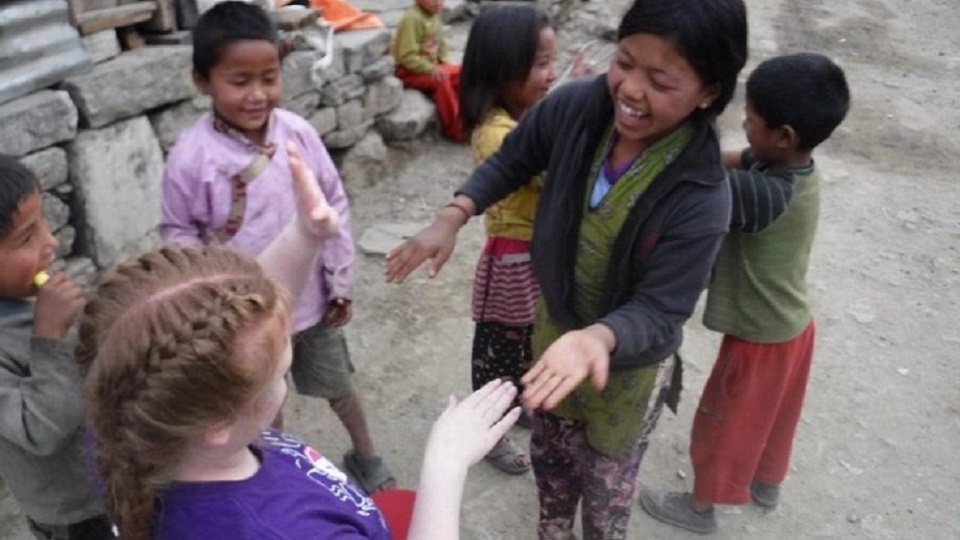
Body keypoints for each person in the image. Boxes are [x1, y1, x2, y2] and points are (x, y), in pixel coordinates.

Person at [385, 0, 748, 537]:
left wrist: (598, 339)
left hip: (627, 370)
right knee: (553, 465)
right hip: (554, 335)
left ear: (708, 93)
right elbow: (515, 157)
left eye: (660, 81)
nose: (630, 89)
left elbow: (662, 307)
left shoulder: (701, 195)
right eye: (624, 62)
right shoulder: (579, 107)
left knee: (605, 491)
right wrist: (454, 214)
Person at [78, 140, 522, 540]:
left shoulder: (130, 419)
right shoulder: (281, 530)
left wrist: (304, 236)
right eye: (278, 374)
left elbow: (239, 329)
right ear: (217, 425)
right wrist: (445, 464)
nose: (283, 371)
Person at [159, 1, 396, 494]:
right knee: (265, 404)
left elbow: (332, 203)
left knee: (338, 385)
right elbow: (179, 234)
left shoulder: (297, 134)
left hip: (312, 303)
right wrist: (210, 299)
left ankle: (366, 453)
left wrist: (340, 280)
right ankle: (280, 478)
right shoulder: (191, 158)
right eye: (239, 81)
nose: (257, 94)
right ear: (202, 81)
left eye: (269, 78)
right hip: (247, 315)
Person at [638, 52, 852, 534]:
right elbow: (733, 159)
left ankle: (698, 509)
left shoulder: (766, 196)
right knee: (775, 415)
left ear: (784, 135)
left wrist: (661, 155)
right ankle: (766, 483)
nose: (743, 124)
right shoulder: (790, 166)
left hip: (758, 337)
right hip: (792, 327)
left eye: (751, 118)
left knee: (723, 422)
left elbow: (704, 185)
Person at [458, 5, 557, 476]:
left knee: (523, 343)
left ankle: (514, 404)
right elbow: (548, 176)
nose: (551, 75)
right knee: (498, 353)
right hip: (511, 261)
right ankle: (488, 431)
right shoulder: (499, 134)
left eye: (552, 63)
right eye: (541, 65)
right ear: (504, 70)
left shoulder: (520, 119)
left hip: (530, 257)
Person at [0, 154, 113, 540]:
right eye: (26, 238)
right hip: (76, 512)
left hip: (111, 477)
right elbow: (42, 430)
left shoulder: (29, 295)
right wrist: (47, 338)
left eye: (43, 223)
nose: (51, 242)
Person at [391, 0, 463, 142]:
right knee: (442, 79)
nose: (438, 3)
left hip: (430, 66)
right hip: (409, 71)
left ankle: (469, 116)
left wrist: (444, 64)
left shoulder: (435, 15)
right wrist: (431, 69)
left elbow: (441, 44)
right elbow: (406, 56)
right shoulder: (412, 19)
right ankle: (455, 129)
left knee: (464, 72)